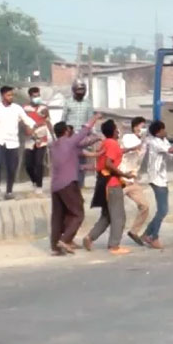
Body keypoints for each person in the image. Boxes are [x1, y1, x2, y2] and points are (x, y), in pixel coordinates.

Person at [49, 114, 101, 256]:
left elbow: (83, 147)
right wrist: (95, 117)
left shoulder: (53, 146)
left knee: (58, 216)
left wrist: (96, 141)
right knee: (78, 214)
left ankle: (56, 246)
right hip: (68, 183)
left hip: (55, 186)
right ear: (66, 131)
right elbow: (84, 131)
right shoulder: (70, 143)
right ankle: (65, 240)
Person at [83, 119, 134, 255]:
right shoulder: (112, 143)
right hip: (112, 183)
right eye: (117, 129)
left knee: (107, 215)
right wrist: (124, 175)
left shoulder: (105, 143)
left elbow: (114, 154)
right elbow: (109, 163)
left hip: (104, 182)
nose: (118, 131)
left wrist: (131, 149)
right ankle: (114, 245)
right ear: (113, 131)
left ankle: (90, 237)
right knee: (119, 216)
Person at [0, 86, 36, 200]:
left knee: (11, 168)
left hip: (13, 142)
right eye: (8, 95)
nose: (11, 97)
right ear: (3, 96)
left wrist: (31, 127)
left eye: (12, 95)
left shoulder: (17, 108)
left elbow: (28, 120)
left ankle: (9, 191)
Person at [143, 121, 173, 249]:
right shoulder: (154, 142)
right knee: (163, 210)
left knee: (162, 209)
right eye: (163, 130)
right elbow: (170, 150)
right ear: (158, 132)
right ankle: (153, 237)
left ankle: (146, 234)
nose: (165, 132)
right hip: (156, 178)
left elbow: (172, 155)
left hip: (162, 178)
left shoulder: (164, 141)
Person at [120, 117, 150, 246]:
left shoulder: (144, 142)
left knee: (145, 206)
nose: (142, 129)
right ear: (135, 127)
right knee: (111, 209)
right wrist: (140, 142)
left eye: (144, 126)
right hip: (121, 178)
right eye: (140, 126)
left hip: (132, 179)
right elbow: (129, 148)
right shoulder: (128, 137)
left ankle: (134, 231)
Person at [62, 80, 94, 188]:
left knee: (81, 159)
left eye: (82, 89)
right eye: (78, 89)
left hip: (82, 136)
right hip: (70, 135)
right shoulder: (68, 102)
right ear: (74, 90)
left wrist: (91, 135)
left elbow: (90, 120)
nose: (81, 92)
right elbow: (63, 119)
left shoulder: (88, 103)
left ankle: (80, 183)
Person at [23, 87, 52, 195]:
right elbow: (22, 123)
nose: (37, 98)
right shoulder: (25, 108)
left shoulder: (44, 108)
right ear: (30, 97)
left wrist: (54, 137)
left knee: (39, 163)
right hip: (30, 138)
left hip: (42, 139)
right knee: (28, 164)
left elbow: (48, 122)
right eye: (35, 96)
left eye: (38, 96)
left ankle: (39, 186)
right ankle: (34, 180)